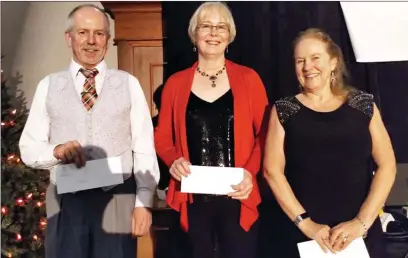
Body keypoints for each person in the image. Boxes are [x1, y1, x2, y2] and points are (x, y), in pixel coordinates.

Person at [19, 4, 160, 258]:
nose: (91, 41)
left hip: (118, 197)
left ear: (107, 39)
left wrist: (143, 202)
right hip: (66, 200)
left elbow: (144, 149)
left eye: (99, 33)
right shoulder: (48, 86)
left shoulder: (128, 84)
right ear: (69, 37)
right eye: (83, 32)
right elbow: (28, 148)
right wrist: (56, 151)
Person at [263, 28, 396, 258]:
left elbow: (387, 165)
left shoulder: (363, 104)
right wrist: (306, 224)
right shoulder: (284, 110)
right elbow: (272, 171)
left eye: (315, 58)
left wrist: (361, 223)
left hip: (359, 237)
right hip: (302, 237)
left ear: (333, 62)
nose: (307, 67)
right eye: (300, 60)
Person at [154, 2, 269, 258]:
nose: (214, 33)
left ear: (230, 35)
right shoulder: (175, 83)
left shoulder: (249, 79)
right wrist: (173, 161)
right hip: (194, 197)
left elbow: (265, 135)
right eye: (206, 26)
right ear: (195, 34)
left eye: (221, 27)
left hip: (238, 195)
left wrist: (250, 174)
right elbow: (162, 136)